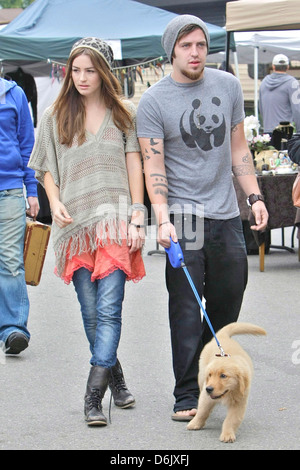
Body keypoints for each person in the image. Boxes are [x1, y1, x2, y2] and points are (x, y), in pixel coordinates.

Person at [137, 15, 268, 421]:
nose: (195, 53)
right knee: (187, 309)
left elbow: (238, 148)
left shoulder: (228, 86)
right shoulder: (154, 101)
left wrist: (255, 196)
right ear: (171, 51)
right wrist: (162, 218)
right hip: (183, 216)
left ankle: (219, 381)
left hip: (226, 212)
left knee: (228, 301)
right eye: (186, 46)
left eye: (200, 45)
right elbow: (152, 164)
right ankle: (187, 394)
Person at [28, 37, 145, 426]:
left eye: (90, 70)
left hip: (114, 222)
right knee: (92, 311)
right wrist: (53, 199)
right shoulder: (55, 114)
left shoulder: (125, 112)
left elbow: (135, 167)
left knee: (109, 310)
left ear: (105, 72)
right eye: (75, 70)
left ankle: (92, 396)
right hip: (74, 225)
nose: (81, 77)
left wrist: (137, 214)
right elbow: (47, 165)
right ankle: (117, 378)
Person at [0, 77, 39, 355]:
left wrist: (32, 190)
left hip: (10, 189)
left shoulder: (13, 94)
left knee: (11, 260)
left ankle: (14, 329)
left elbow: (28, 145)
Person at [259, 54, 300, 133]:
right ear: (287, 67)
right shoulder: (292, 83)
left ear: (273, 66)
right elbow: (297, 109)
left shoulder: (264, 82)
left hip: (267, 131)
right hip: (285, 131)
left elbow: (261, 107)